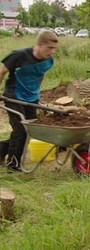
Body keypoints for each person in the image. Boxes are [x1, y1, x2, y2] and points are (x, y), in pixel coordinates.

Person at [0, 30, 58, 171]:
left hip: (32, 98)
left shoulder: (48, 60)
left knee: (31, 131)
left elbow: (41, 74)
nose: (52, 52)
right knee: (20, 130)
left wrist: (36, 92)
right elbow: (1, 71)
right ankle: (13, 166)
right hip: (14, 96)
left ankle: (1, 149)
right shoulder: (19, 55)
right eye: (49, 48)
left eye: (54, 48)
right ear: (39, 44)